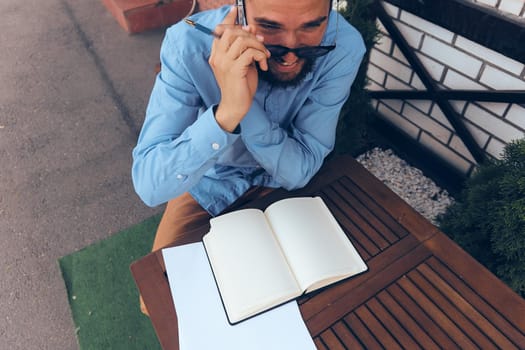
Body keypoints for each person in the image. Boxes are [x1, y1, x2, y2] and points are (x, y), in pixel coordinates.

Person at [132, 0, 365, 313]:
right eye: (270, 26)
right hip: (211, 179)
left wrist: (246, 107)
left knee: (331, 296)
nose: (292, 53)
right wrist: (227, 112)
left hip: (284, 181)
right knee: (159, 300)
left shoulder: (344, 45)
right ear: (240, 8)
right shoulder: (187, 43)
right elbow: (150, 184)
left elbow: (300, 170)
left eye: (312, 26)